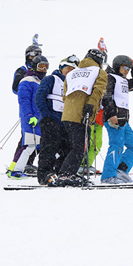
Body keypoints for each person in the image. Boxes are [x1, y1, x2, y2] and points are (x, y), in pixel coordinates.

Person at [50, 49, 108, 187]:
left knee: (73, 146)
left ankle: (65, 173)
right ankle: (66, 174)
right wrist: (90, 107)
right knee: (79, 147)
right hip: (83, 113)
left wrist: (72, 107)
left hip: (67, 113)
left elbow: (65, 95)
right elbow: (98, 92)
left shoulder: (72, 73)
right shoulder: (99, 72)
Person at [34, 55, 79, 184]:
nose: (69, 71)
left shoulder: (72, 84)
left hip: (65, 122)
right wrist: (46, 114)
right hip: (51, 120)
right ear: (61, 68)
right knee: (49, 147)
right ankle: (44, 174)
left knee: (67, 148)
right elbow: (39, 97)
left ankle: (61, 172)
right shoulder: (51, 79)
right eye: (68, 68)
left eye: (73, 70)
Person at [100, 55, 133, 184]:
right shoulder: (110, 77)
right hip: (113, 118)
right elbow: (106, 96)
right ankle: (108, 176)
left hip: (124, 120)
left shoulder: (123, 80)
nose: (127, 71)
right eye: (125, 67)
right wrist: (112, 114)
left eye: (128, 68)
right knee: (116, 145)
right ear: (118, 66)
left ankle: (120, 170)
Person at [8, 55, 48, 179]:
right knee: (29, 144)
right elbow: (24, 101)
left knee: (38, 144)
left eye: (46, 67)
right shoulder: (27, 81)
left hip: (41, 118)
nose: (44, 70)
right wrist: (29, 116)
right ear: (34, 67)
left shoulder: (41, 82)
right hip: (30, 118)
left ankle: (21, 168)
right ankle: (14, 170)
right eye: (41, 66)